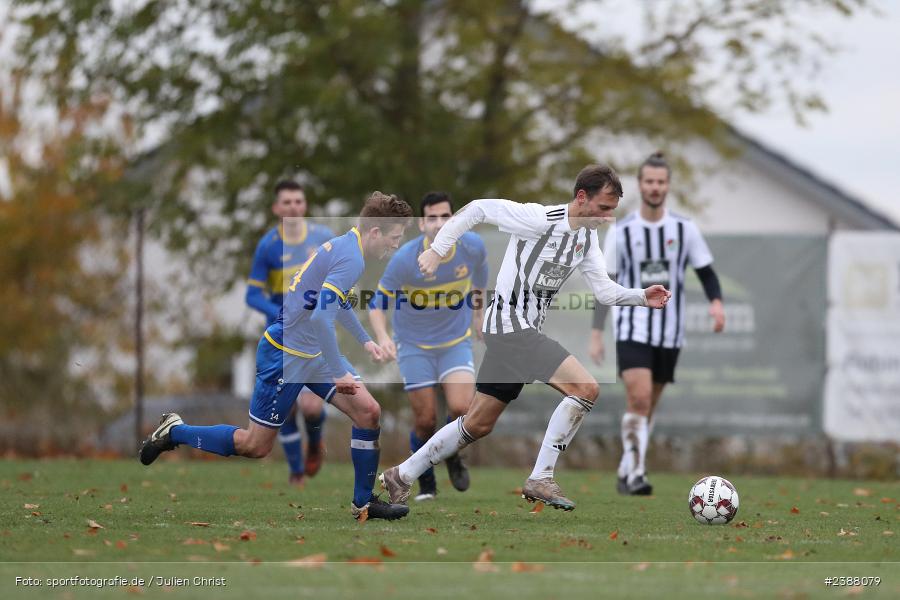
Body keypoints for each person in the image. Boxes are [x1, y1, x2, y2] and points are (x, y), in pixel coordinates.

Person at [379, 165, 671, 511]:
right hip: (509, 326)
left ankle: (402, 474)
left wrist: (641, 296)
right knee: (586, 388)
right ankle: (541, 476)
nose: (607, 217)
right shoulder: (538, 219)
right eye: (604, 208)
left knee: (477, 422)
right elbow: (477, 209)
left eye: (612, 210)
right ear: (581, 197)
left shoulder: (587, 237)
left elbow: (605, 291)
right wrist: (438, 249)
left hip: (517, 333)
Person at [140, 192, 414, 522]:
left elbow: (332, 303)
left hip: (311, 353)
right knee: (255, 446)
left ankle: (364, 503)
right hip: (285, 355)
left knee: (369, 412)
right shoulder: (351, 257)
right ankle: (174, 432)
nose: (395, 246)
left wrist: (365, 340)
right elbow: (320, 318)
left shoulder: (346, 246)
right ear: (375, 233)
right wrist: (340, 370)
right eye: (394, 238)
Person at [589, 152, 725, 496]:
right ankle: (636, 473)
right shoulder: (622, 230)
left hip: (670, 331)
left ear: (667, 186)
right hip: (632, 325)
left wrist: (717, 304)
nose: (655, 187)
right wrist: (596, 332)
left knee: (648, 406)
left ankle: (626, 467)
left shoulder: (684, 228)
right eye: (649, 181)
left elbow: (706, 272)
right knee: (639, 398)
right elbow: (608, 281)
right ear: (640, 184)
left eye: (661, 182)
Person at [368, 192, 488, 501]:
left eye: (445, 217)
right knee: (425, 420)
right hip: (413, 346)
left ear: (455, 220)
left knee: (463, 409)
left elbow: (481, 278)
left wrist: (479, 315)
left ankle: (452, 454)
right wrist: (382, 337)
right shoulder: (405, 259)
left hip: (455, 343)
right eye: (432, 218)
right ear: (422, 224)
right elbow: (377, 304)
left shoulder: (472, 247)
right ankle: (426, 482)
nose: (439, 224)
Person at [246, 180, 333, 486]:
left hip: (314, 336)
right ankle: (297, 471)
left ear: (305, 205)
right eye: (287, 202)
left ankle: (314, 442)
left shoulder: (323, 239)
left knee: (311, 407)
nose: (293, 207)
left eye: (298, 201)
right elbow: (252, 295)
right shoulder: (268, 246)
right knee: (286, 406)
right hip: (282, 338)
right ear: (276, 208)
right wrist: (280, 315)